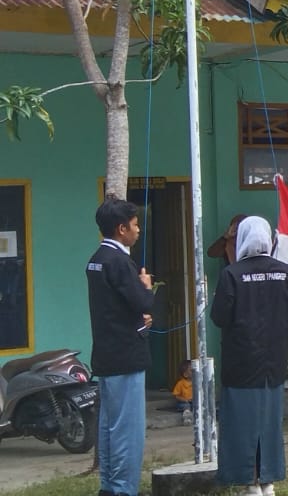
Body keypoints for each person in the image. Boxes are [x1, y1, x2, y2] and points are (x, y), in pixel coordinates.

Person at [211, 216, 288, 496]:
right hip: (273, 361)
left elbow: (219, 316)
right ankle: (268, 481)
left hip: (241, 362)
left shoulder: (232, 274)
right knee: (269, 423)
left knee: (242, 424)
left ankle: (249, 482)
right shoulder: (284, 271)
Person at [87, 198, 154, 496]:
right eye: (135, 225)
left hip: (107, 352)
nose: (138, 230)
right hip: (126, 355)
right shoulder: (119, 262)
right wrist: (146, 286)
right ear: (121, 228)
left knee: (109, 427)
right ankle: (124, 489)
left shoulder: (97, 259)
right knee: (128, 430)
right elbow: (141, 302)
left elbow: (114, 307)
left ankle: (110, 486)